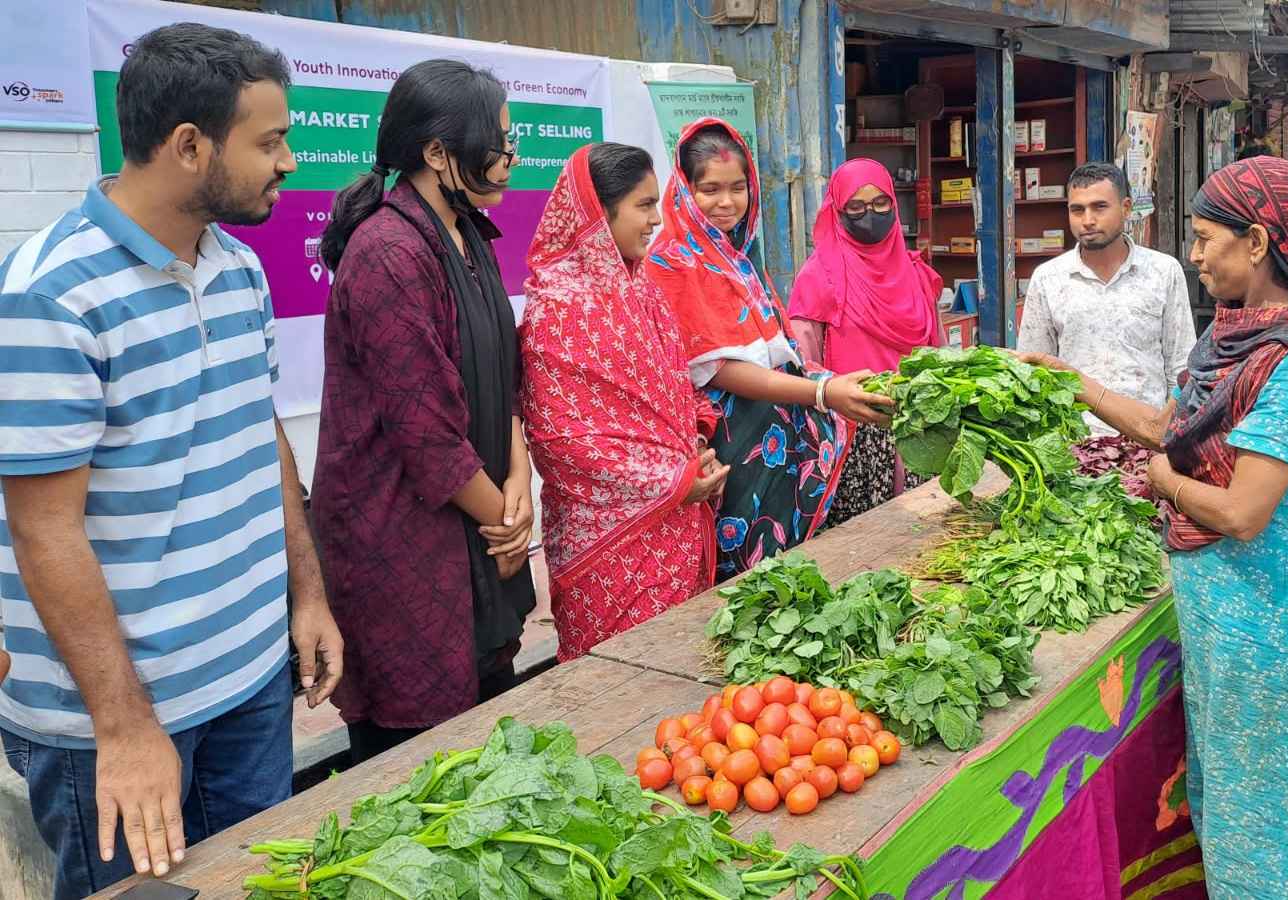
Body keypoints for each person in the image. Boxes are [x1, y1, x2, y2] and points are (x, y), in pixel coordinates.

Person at [1023, 156, 1288, 897]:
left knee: (1277, 839)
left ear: (1260, 242)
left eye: (1208, 238)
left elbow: (1243, 511)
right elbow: (1158, 423)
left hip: (1274, 636)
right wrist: (1062, 376)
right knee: (1246, 821)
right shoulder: (1229, 341)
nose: (1196, 255)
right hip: (1227, 633)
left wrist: (1166, 481)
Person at [0, 24, 343, 897]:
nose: (291, 162)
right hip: (113, 724)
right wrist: (122, 730)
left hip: (250, 684)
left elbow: (259, 437)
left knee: (261, 883)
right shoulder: (49, 294)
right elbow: (44, 531)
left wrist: (305, 594)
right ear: (189, 146)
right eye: (269, 141)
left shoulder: (240, 271)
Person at [313, 60, 534, 764]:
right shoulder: (388, 253)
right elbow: (427, 435)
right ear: (437, 154)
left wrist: (520, 482)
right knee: (421, 772)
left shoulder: (470, 234)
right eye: (496, 143)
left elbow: (502, 377)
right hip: (405, 550)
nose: (510, 159)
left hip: (481, 523)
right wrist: (503, 518)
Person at [647, 118, 889, 580]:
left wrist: (823, 381)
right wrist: (823, 393)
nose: (726, 202)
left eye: (738, 187)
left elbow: (778, 351)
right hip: (729, 445)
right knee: (740, 573)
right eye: (710, 189)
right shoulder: (672, 262)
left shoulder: (737, 258)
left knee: (781, 573)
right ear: (683, 190)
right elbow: (717, 369)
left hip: (771, 441)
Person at [520, 142, 729, 661]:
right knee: (617, 687)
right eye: (643, 205)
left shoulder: (643, 289)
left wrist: (695, 443)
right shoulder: (556, 309)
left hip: (677, 522)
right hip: (610, 542)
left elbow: (673, 394)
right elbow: (563, 442)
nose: (657, 220)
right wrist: (676, 481)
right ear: (598, 211)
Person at [789, 158, 942, 524]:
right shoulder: (819, 277)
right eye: (855, 207)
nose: (869, 215)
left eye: (880, 204)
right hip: (854, 434)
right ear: (838, 211)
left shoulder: (916, 273)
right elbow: (802, 369)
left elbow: (936, 354)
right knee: (860, 548)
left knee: (924, 539)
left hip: (919, 426)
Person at [1017, 162, 1196, 436]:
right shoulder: (1048, 278)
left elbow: (1181, 366)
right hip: (1073, 442)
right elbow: (1033, 370)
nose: (1087, 220)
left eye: (1099, 207)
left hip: (1146, 438)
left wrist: (1173, 436)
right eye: (1077, 210)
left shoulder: (1163, 272)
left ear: (1126, 208)